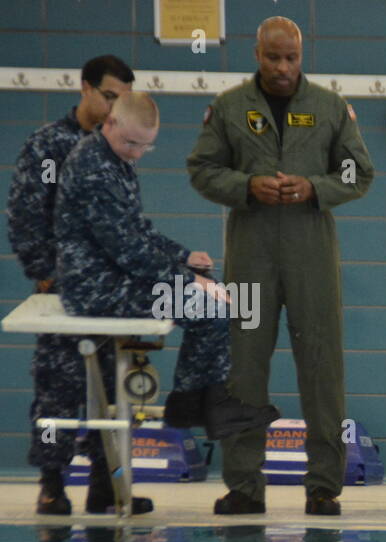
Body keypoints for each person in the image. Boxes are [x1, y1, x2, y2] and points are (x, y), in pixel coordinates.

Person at [54, 93, 278, 515]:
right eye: (131, 143)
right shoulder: (92, 168)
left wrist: (182, 256)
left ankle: (196, 400)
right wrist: (187, 278)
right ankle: (197, 402)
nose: (137, 153)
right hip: (96, 287)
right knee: (214, 305)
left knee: (221, 300)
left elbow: (137, 230)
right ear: (111, 123)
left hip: (115, 277)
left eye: (145, 147)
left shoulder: (114, 161)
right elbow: (125, 249)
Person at [188, 16, 375, 517]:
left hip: (311, 251)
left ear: (301, 54)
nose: (283, 67)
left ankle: (323, 487)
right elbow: (202, 169)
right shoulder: (229, 108)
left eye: (291, 57)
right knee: (244, 367)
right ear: (257, 54)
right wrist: (245, 186)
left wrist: (317, 187)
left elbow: (358, 171)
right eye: (274, 57)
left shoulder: (330, 108)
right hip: (249, 254)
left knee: (322, 367)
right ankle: (244, 487)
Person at [7, 55, 134, 515]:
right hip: (62, 292)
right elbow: (26, 214)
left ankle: (105, 484)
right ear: (84, 88)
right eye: (109, 96)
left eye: (123, 99)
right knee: (57, 388)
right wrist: (44, 273)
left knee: (111, 388)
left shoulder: (118, 149)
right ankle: (51, 482)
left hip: (108, 295)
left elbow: (126, 224)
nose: (115, 106)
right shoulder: (51, 147)